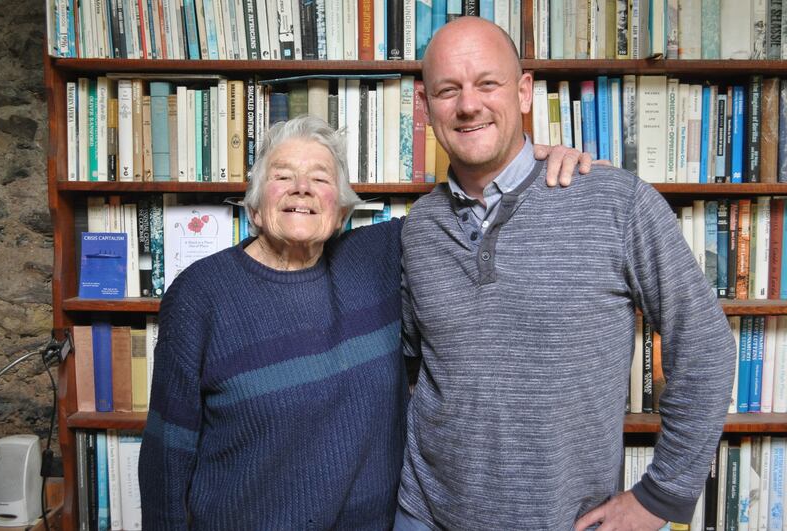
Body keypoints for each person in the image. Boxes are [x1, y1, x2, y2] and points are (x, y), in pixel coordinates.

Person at [137, 115, 592, 529]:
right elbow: (167, 452)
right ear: (254, 205)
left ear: (340, 211)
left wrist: (543, 167)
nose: (302, 188)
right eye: (282, 177)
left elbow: (475, 203)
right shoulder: (200, 294)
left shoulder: (378, 254)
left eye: (320, 178)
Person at [396, 16, 736, 531]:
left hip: (566, 521)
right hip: (424, 516)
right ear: (426, 108)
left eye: (488, 83)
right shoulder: (417, 230)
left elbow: (705, 348)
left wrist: (660, 497)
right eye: (449, 90)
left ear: (525, 92)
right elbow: (404, 368)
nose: (468, 105)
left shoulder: (616, 203)